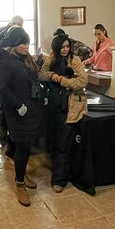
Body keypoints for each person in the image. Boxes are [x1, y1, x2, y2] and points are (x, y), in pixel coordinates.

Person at [0, 28, 45, 206]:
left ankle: (22, 172)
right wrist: (18, 105)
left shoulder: (28, 60)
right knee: (23, 147)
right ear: (14, 44)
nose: (26, 46)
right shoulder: (6, 63)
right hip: (18, 111)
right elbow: (3, 89)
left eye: (27, 43)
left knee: (24, 146)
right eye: (22, 43)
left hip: (31, 108)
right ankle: (20, 184)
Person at [39, 34, 88, 193]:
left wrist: (63, 81)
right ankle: (57, 170)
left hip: (71, 108)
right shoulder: (51, 59)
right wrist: (53, 76)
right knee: (54, 141)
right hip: (53, 107)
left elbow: (82, 81)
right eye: (62, 47)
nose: (65, 49)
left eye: (67, 46)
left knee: (64, 145)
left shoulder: (76, 61)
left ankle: (60, 179)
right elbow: (41, 74)